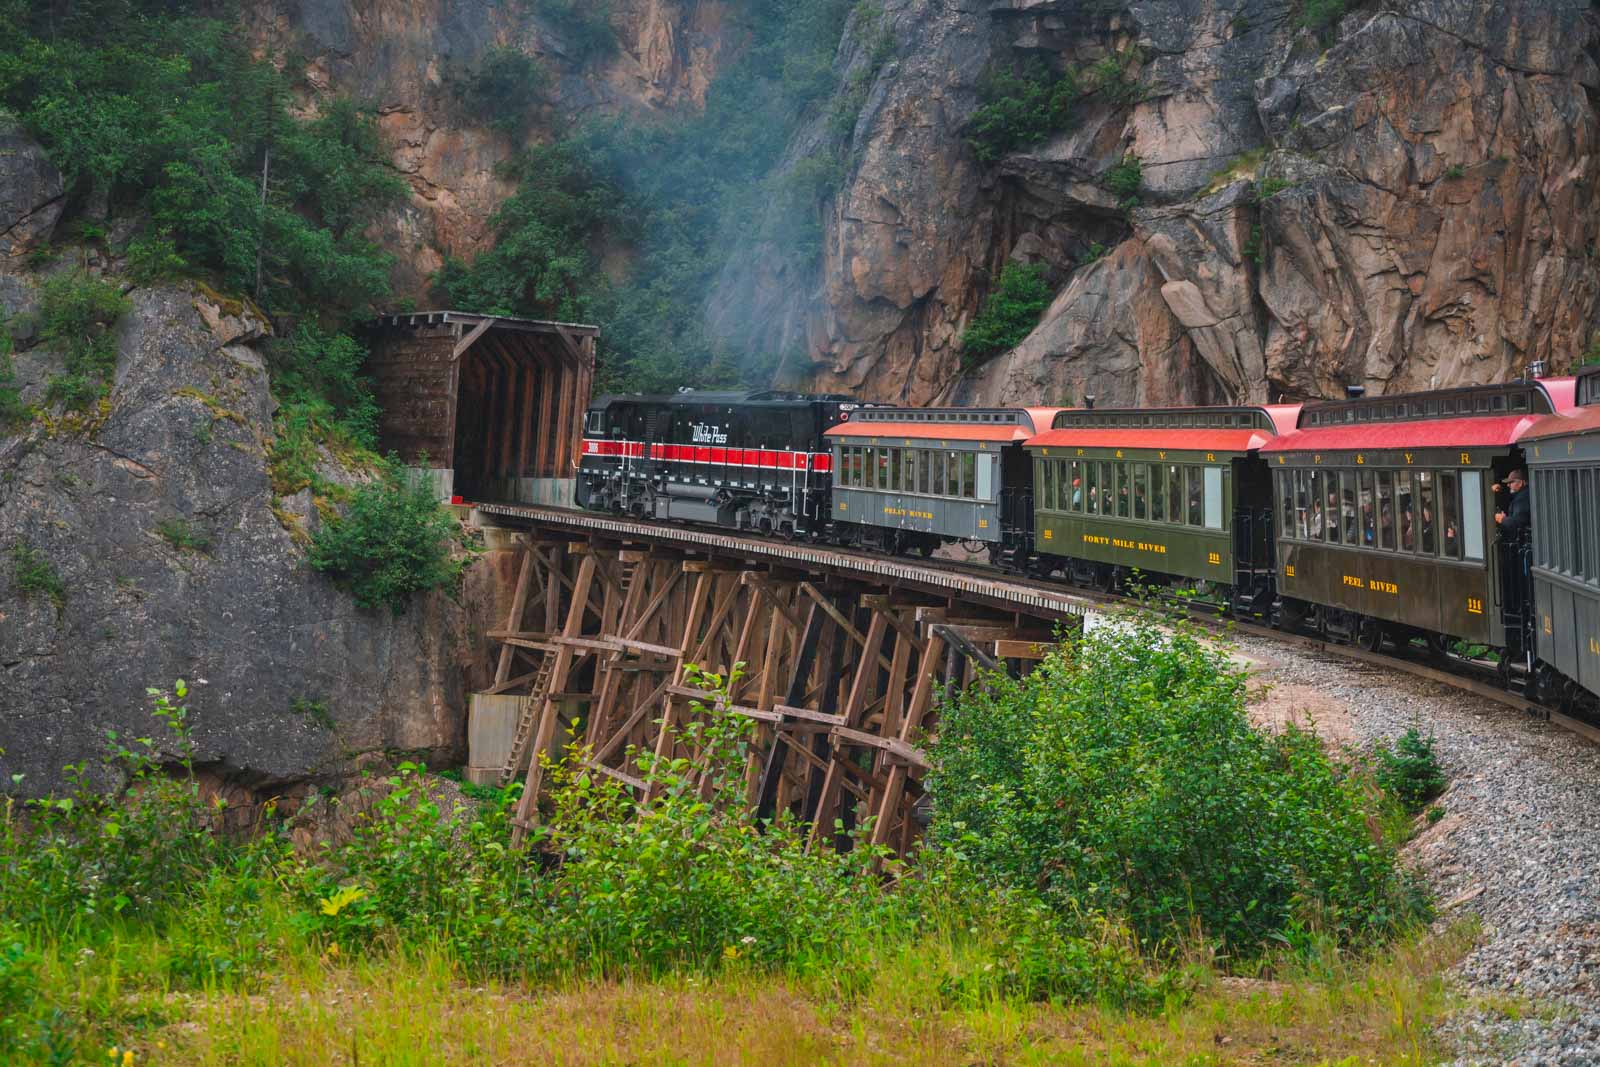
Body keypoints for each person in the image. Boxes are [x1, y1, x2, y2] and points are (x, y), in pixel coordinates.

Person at [1496, 469, 1530, 537]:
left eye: (1511, 482)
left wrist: (1502, 519)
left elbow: (1518, 524)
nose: (1508, 485)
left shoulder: (1521, 499)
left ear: (1520, 483)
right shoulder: (1524, 494)